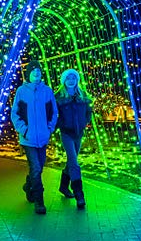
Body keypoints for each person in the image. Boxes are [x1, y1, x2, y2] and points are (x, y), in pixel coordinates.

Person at [10, 64, 58, 214]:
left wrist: (49, 129)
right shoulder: (21, 91)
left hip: (43, 138)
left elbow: (54, 112)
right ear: (28, 74)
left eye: (38, 71)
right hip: (28, 139)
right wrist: (24, 130)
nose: (36, 73)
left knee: (39, 167)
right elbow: (15, 114)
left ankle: (28, 185)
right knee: (36, 167)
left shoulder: (47, 91)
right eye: (33, 71)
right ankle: (39, 201)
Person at [55, 68, 92, 210]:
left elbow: (89, 112)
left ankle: (63, 187)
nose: (71, 80)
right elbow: (52, 114)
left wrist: (85, 122)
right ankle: (79, 194)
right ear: (64, 80)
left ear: (77, 80)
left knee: (71, 161)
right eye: (68, 78)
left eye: (73, 78)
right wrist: (60, 125)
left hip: (79, 133)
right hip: (66, 133)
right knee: (74, 163)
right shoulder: (58, 97)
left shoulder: (82, 95)